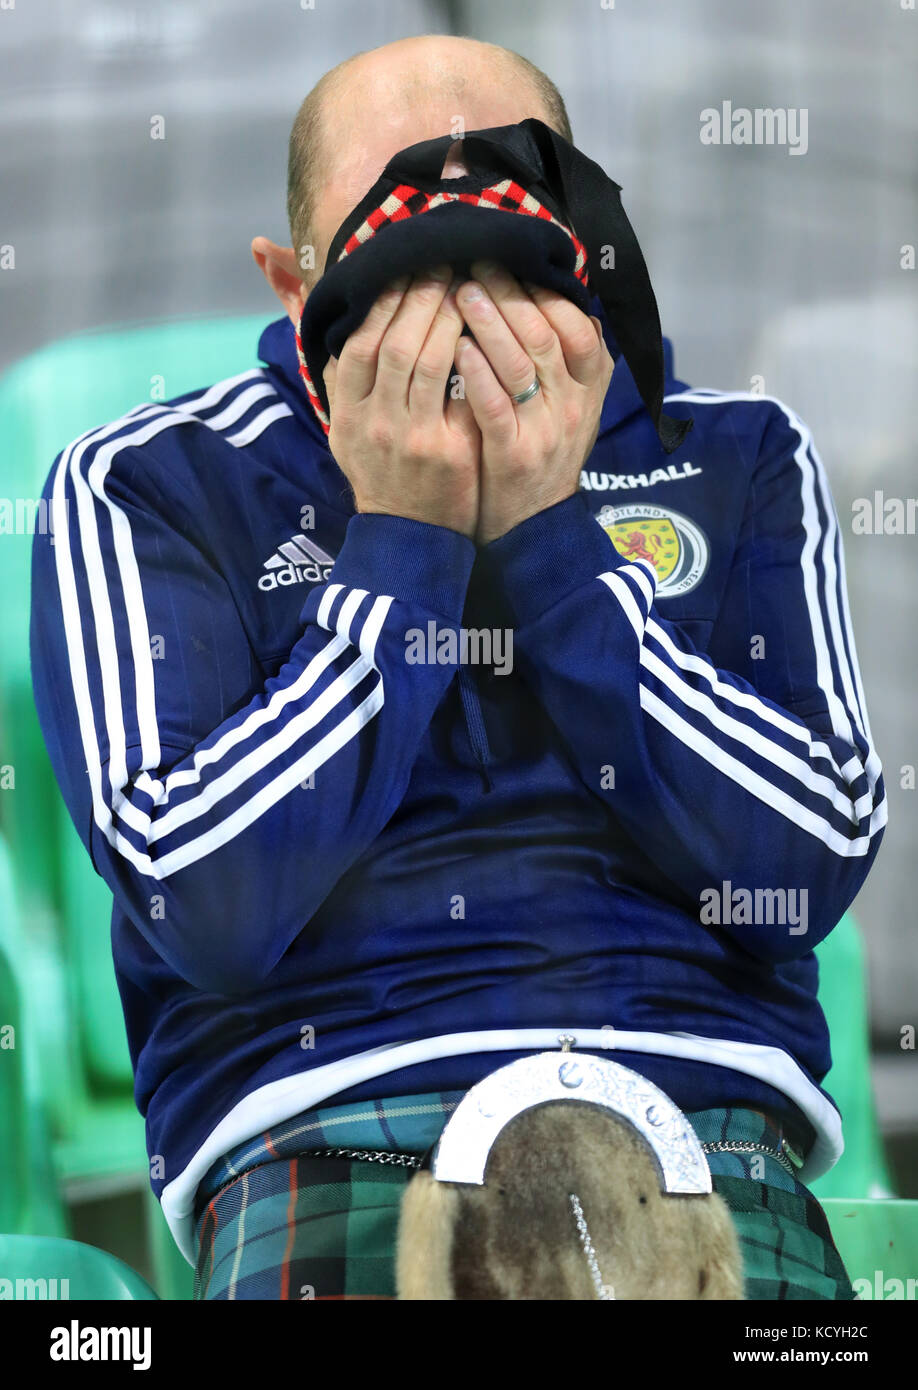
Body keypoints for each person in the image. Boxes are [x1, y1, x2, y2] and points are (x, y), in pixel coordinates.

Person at [30, 34, 886, 1300]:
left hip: (703, 1134)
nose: (462, 306)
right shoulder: (153, 482)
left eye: (507, 236)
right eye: (401, 254)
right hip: (327, 1122)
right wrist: (403, 547)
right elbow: (197, 897)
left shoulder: (739, 452)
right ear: (289, 285)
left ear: (585, 245)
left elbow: (806, 859)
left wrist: (556, 549)